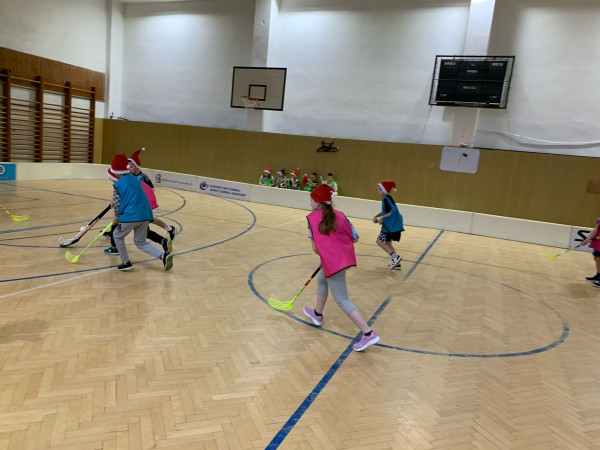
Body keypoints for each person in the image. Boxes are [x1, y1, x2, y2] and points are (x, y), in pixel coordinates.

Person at [303, 184, 380, 352]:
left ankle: (368, 333)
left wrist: (327, 254)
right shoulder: (340, 215)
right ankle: (317, 314)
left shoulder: (312, 218)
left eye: (311, 200)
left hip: (334, 263)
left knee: (342, 299)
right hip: (343, 258)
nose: (310, 203)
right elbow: (355, 238)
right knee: (322, 280)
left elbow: (315, 248)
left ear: (317, 202)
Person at [107, 154, 173, 271]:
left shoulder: (118, 185)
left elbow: (117, 204)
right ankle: (163, 256)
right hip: (145, 214)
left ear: (116, 172)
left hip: (131, 216)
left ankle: (126, 262)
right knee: (140, 242)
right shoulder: (135, 179)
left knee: (117, 235)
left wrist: (117, 217)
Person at [373, 180, 404, 270]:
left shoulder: (386, 199)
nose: (378, 191)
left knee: (379, 241)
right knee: (388, 243)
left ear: (384, 190)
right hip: (394, 225)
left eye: (380, 189)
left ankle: (395, 258)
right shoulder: (387, 198)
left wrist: (382, 217)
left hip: (390, 226)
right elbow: (386, 211)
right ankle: (397, 264)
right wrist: (377, 216)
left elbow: (393, 210)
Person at [581, 216, 600, 286]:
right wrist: (587, 239)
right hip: (598, 239)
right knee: (596, 257)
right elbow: (596, 228)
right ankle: (598, 275)